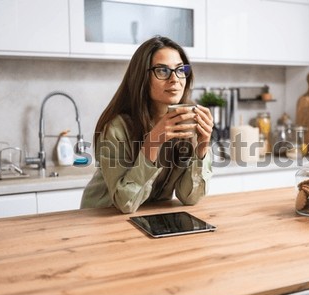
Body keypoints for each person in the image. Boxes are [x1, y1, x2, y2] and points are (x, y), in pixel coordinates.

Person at [80, 36, 213, 213]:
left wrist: (202, 147)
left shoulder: (187, 122)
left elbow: (189, 197)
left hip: (149, 218)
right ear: (142, 77)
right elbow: (125, 203)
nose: (175, 79)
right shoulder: (116, 128)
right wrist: (152, 143)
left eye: (180, 70)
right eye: (162, 71)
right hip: (102, 217)